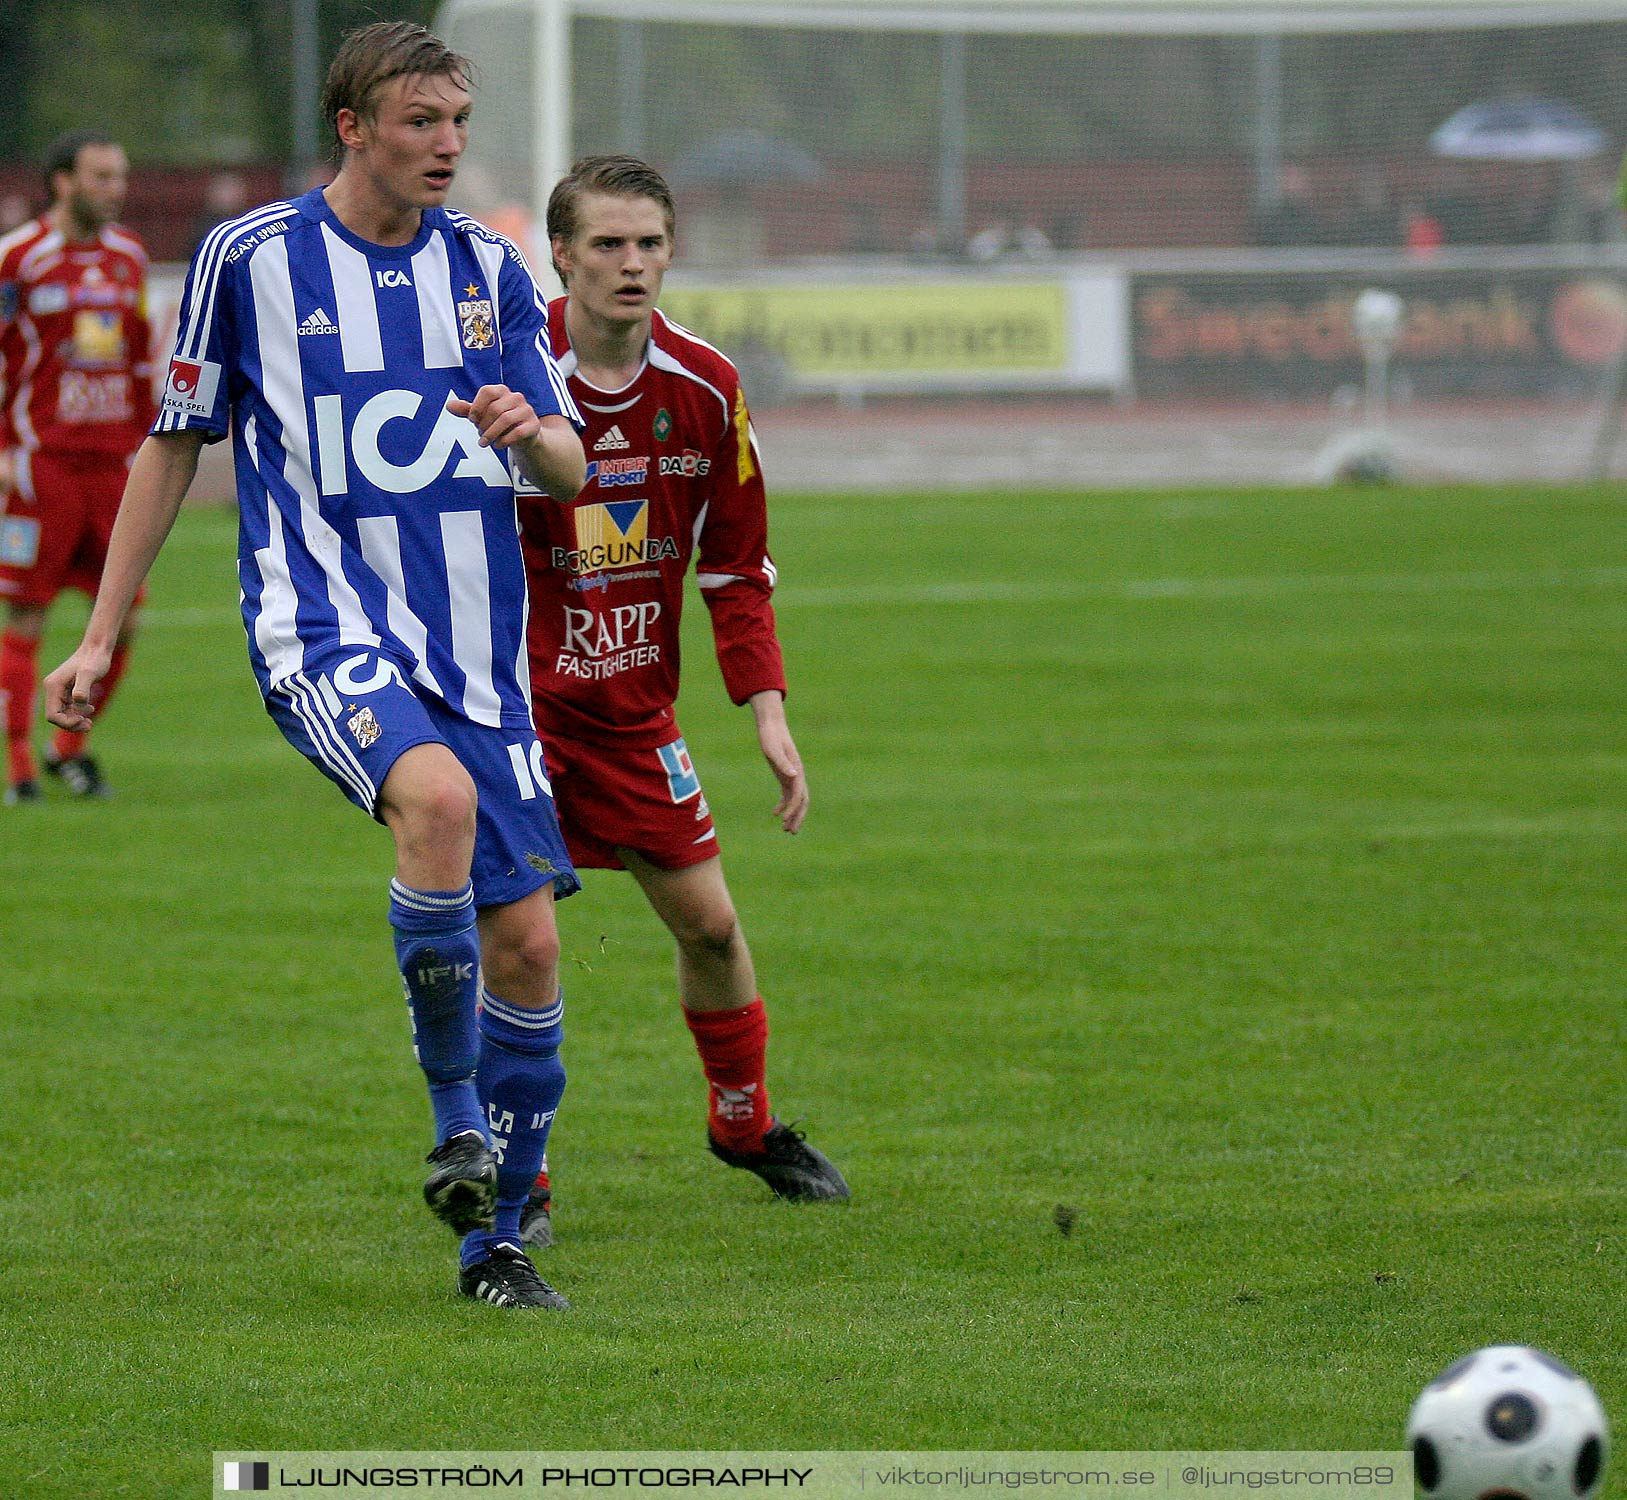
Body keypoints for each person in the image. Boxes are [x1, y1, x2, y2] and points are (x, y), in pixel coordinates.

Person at [44, 22, 589, 1311]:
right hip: (323, 626)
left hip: (479, 656)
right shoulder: (252, 258)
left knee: (527, 953)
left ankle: (494, 1241)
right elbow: (174, 444)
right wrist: (102, 630)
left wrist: (528, 432)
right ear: (353, 126)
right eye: (419, 122)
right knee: (438, 805)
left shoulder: (489, 267)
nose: (447, 143)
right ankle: (457, 1115)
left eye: (457, 119)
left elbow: (567, 466)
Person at [513, 154, 848, 1248]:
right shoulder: (508, 376)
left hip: (631, 714)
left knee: (710, 927)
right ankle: (524, 1175)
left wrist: (767, 709)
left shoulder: (704, 387)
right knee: (523, 948)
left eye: (649, 243)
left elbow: (738, 564)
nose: (632, 264)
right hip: (510, 718)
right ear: (560, 255)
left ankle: (743, 1126)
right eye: (607, 244)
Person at [0, 131, 154, 804]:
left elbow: (140, 353)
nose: (114, 189)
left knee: (123, 620)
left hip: (113, 471)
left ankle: (68, 749)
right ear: (62, 181)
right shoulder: (19, 259)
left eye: (119, 176)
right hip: (44, 468)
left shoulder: (128, 257)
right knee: (26, 614)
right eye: (100, 176)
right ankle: (20, 770)